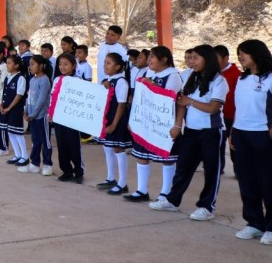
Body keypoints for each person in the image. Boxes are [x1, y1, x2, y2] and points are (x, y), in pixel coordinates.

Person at [151, 45, 228, 220]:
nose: (191, 62)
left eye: (195, 58)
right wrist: (178, 126)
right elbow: (181, 104)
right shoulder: (189, 77)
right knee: (183, 167)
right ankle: (172, 200)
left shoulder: (219, 81)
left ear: (207, 60)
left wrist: (190, 101)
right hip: (191, 131)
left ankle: (207, 206)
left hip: (212, 131)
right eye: (190, 58)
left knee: (211, 170)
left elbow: (213, 108)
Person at [231, 39, 272, 245]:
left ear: (257, 54)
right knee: (246, 181)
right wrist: (233, 133)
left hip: (263, 135)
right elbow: (240, 109)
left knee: (268, 182)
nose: (241, 57)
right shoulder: (241, 79)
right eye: (239, 53)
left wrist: (270, 135)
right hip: (241, 134)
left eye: (244, 53)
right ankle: (255, 223)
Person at [124, 46, 182, 204]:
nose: (149, 60)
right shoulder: (148, 73)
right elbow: (139, 98)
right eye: (148, 57)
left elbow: (169, 100)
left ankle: (165, 192)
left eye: (152, 57)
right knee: (141, 156)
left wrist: (152, 85)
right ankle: (141, 189)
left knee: (166, 158)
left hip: (163, 124)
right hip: (145, 121)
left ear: (164, 59)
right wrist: (134, 119)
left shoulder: (173, 75)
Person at [97, 53, 132, 196]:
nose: (105, 66)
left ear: (118, 67)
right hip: (106, 119)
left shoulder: (121, 82)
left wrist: (114, 124)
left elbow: (121, 105)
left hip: (116, 120)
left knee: (119, 149)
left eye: (109, 63)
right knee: (107, 147)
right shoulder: (107, 80)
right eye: (105, 63)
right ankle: (111, 177)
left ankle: (123, 183)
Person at [52, 53, 85, 183]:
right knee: (61, 144)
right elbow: (53, 97)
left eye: (66, 64)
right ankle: (66, 170)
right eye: (60, 64)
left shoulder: (78, 80)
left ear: (73, 65)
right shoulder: (57, 80)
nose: (63, 67)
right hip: (59, 117)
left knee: (74, 145)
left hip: (73, 119)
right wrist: (51, 112)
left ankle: (78, 171)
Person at [21, 55, 53, 175]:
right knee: (35, 140)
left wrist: (33, 114)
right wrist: (26, 111)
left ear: (41, 66)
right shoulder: (33, 80)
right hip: (32, 116)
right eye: (30, 64)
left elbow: (41, 100)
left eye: (33, 64)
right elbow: (29, 98)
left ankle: (47, 164)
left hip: (41, 116)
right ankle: (34, 163)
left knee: (45, 141)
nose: (30, 66)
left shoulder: (45, 80)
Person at [215, 45, 241, 176]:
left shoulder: (237, 75)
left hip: (233, 115)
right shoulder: (213, 73)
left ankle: (239, 170)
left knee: (234, 144)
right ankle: (218, 167)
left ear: (226, 58)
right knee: (218, 143)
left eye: (216, 58)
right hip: (218, 115)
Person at [0, 54, 28, 164]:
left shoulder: (20, 78)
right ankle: (17, 154)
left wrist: (9, 107)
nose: (7, 65)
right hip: (6, 108)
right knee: (10, 131)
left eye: (9, 63)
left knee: (17, 132)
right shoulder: (7, 77)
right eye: (7, 63)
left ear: (16, 65)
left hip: (15, 109)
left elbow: (19, 95)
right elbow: (3, 92)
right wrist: (2, 105)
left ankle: (25, 156)